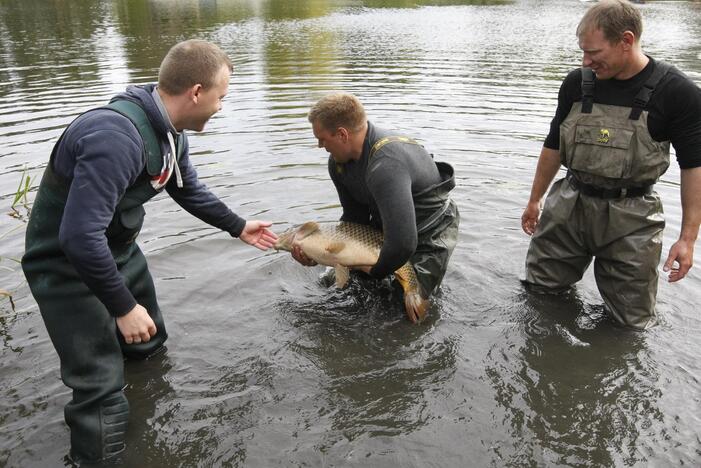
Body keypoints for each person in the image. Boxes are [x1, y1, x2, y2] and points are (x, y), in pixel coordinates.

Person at [21, 39, 278, 463]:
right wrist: (122, 306)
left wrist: (237, 226)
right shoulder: (115, 137)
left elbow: (185, 187)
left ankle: (147, 402)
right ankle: (96, 457)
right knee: (99, 386)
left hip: (117, 252)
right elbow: (78, 238)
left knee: (149, 342)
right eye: (220, 97)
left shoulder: (169, 131)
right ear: (196, 92)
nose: (220, 107)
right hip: (67, 266)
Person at [521, 0, 701, 329]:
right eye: (583, 52)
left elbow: (694, 168)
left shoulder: (678, 93)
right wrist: (535, 199)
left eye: (594, 53)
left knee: (630, 326)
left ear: (626, 41)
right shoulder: (577, 83)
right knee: (538, 297)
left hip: (633, 218)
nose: (585, 61)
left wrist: (687, 239)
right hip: (568, 206)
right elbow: (553, 145)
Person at [293, 92, 460, 323]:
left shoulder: (386, 165)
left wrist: (373, 271)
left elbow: (403, 244)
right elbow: (354, 220)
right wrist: (320, 254)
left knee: (398, 308)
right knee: (342, 286)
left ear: (342, 134)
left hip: (430, 232)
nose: (319, 145)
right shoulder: (338, 165)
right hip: (389, 227)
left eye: (322, 139)